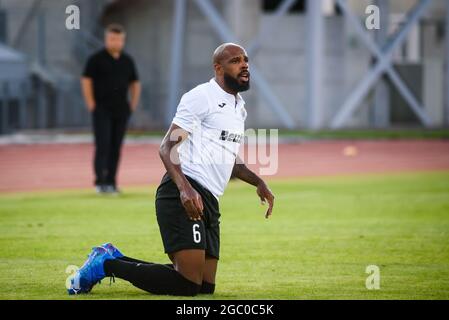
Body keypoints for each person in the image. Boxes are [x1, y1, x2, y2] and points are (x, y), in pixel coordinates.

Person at [68, 43, 275, 296]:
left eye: (245, 59)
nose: (244, 65)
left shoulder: (238, 107)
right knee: (187, 285)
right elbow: (167, 147)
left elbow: (227, 158)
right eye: (235, 60)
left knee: (204, 287)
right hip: (182, 192)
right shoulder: (201, 97)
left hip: (209, 200)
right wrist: (185, 189)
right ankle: (105, 265)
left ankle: (112, 257)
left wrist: (258, 182)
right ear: (218, 68)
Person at [81, 24, 141, 194]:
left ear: (123, 40)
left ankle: (112, 182)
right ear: (106, 39)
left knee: (116, 146)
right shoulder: (95, 59)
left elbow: (135, 83)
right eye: (112, 39)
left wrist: (133, 104)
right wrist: (91, 104)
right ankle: (100, 182)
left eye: (119, 39)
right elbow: (86, 80)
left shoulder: (127, 60)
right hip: (101, 109)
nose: (115, 42)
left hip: (121, 110)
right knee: (103, 145)